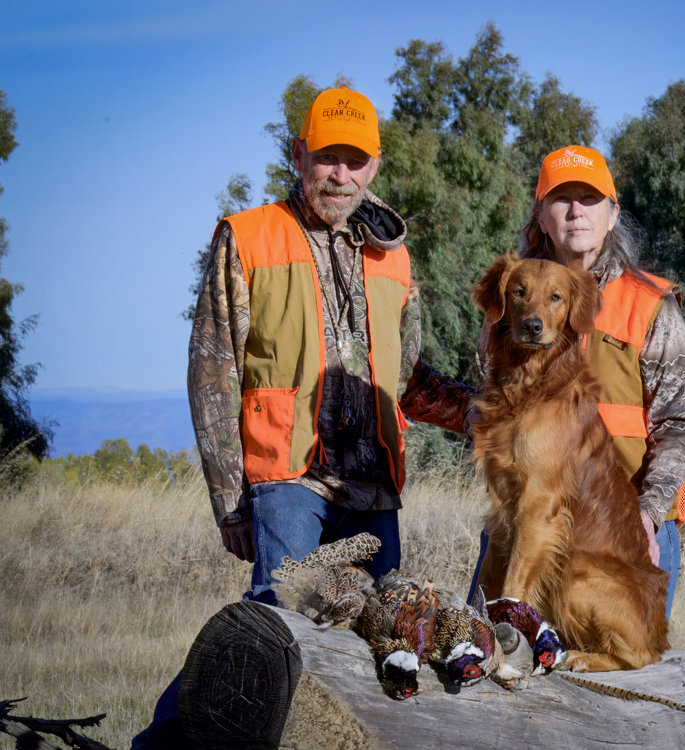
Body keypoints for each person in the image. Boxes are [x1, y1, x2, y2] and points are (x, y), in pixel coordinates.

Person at [132, 87, 471, 749]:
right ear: (299, 155)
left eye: (354, 160)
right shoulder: (250, 236)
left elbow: (406, 379)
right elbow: (213, 373)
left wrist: (486, 416)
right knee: (275, 629)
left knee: (374, 643)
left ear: (374, 165)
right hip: (287, 477)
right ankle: (161, 744)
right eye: (326, 158)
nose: (339, 175)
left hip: (372, 484)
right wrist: (231, 500)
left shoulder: (393, 255)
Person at [469, 145, 685, 622]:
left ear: (613, 213)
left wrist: (647, 514)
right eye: (561, 198)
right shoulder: (512, 300)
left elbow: (681, 423)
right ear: (541, 214)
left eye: (590, 198)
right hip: (525, 531)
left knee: (617, 688)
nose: (576, 211)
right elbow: (484, 405)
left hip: (620, 532)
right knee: (491, 673)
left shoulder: (650, 303)